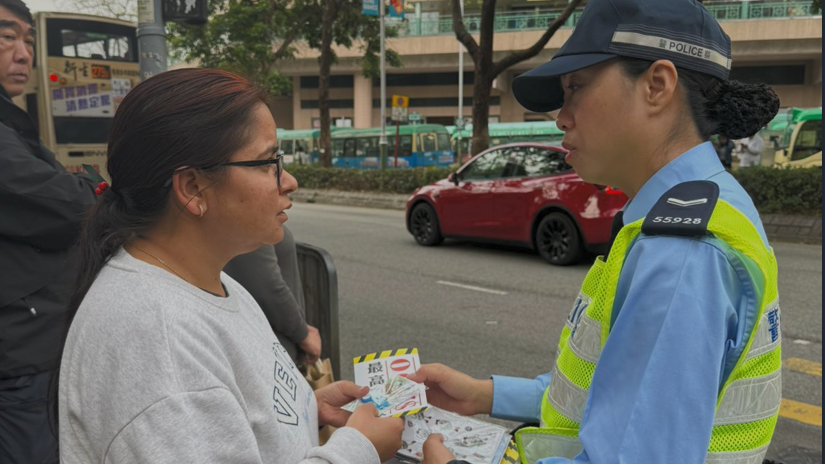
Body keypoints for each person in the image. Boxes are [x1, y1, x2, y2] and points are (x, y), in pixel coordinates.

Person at [411, 0, 782, 463]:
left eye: (576, 88)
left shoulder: (681, 254)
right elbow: (612, 387)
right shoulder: (702, 207)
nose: (561, 116)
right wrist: (484, 396)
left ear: (657, 86)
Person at [56, 69, 403, 463]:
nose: (287, 180)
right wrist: (359, 450)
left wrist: (303, 410)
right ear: (192, 187)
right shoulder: (157, 341)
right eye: (266, 162)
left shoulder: (212, 282)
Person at [0, 1, 97, 462]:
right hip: (21, 355)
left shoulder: (13, 124)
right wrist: (91, 185)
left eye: (29, 42)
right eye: (6, 37)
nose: (23, 54)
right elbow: (65, 205)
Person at [224, 225, 323, 367]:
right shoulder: (249, 219)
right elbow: (268, 287)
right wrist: (303, 334)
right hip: (271, 350)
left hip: (264, 344)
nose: (286, 204)